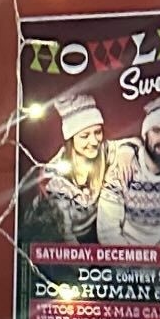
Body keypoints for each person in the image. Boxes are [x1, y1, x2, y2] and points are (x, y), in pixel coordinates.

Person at [97, 95, 160, 246]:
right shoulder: (123, 169)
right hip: (127, 255)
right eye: (158, 131)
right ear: (145, 134)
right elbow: (107, 232)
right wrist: (136, 260)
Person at [35, 92, 107, 242]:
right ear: (71, 138)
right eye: (85, 136)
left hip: (95, 236)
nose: (94, 141)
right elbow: (66, 235)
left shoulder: (105, 155)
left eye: (98, 132)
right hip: (59, 241)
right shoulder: (55, 179)